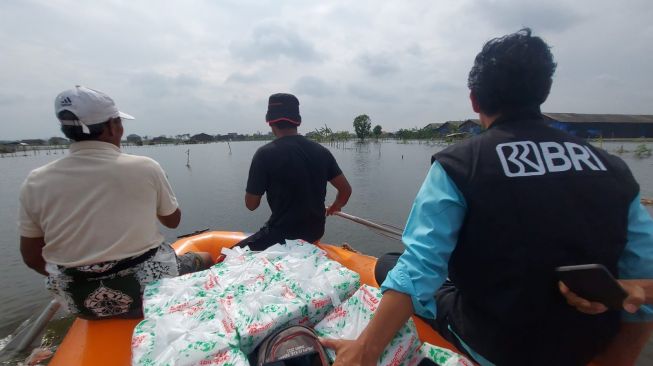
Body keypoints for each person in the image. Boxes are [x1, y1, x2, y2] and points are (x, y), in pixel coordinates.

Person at [321, 29, 653, 365]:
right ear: (542, 91)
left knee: (391, 264)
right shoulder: (614, 168)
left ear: (475, 101)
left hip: (496, 344)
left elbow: (418, 268)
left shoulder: (460, 164)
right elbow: (643, 273)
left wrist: (364, 351)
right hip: (587, 343)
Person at [19, 86, 211, 319]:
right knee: (206, 258)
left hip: (83, 304)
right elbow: (173, 221)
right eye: (119, 122)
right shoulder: (145, 167)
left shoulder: (36, 180)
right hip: (148, 292)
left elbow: (31, 257)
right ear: (112, 127)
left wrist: (80, 276)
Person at [237, 93, 352, 251]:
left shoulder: (264, 154)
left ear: (270, 122)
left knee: (226, 257)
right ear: (297, 121)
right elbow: (345, 190)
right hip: (315, 233)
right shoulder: (321, 151)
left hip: (281, 237)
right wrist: (335, 206)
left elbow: (251, 205)